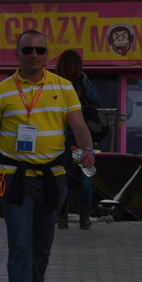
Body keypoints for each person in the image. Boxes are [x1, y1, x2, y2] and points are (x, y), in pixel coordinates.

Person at [0, 30, 94, 282]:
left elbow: (79, 125)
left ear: (47, 54)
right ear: (18, 54)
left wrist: (88, 151)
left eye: (40, 50)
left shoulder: (63, 87)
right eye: (28, 50)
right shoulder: (1, 91)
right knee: (20, 244)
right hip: (13, 177)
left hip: (53, 178)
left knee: (42, 246)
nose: (34, 55)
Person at [55, 49, 102, 230]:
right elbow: (97, 100)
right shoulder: (81, 82)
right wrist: (85, 80)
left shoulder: (56, 83)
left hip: (62, 135)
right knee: (86, 178)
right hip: (82, 135)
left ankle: (62, 217)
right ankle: (84, 218)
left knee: (63, 178)